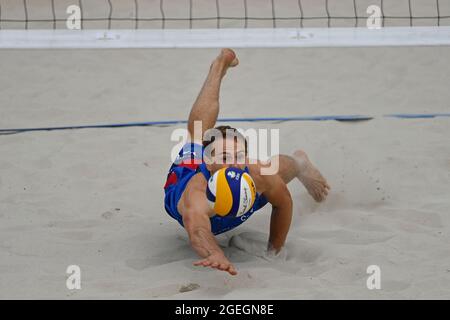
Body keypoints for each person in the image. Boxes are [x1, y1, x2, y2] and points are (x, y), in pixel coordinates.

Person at [164, 49, 330, 276]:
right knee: (197, 135)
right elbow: (198, 230)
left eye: (239, 156)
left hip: (252, 180)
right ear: (209, 161)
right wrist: (216, 253)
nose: (233, 164)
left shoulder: (256, 173)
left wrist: (274, 252)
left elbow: (283, 204)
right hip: (185, 175)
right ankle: (218, 67)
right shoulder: (196, 192)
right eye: (224, 157)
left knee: (277, 171)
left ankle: (300, 163)